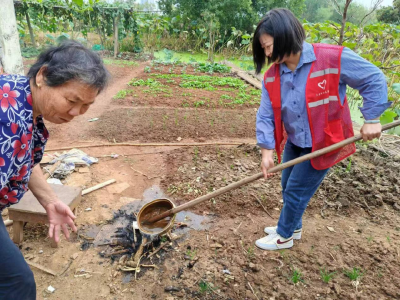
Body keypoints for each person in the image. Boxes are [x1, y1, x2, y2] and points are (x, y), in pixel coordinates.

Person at [252, 9, 391, 251]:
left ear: (286, 35)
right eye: (263, 48)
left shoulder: (330, 58)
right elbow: (265, 115)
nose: (267, 53)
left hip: (324, 141)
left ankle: (284, 236)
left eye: (269, 46)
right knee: (287, 185)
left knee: (296, 190)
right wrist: (266, 152)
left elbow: (373, 78)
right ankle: (293, 227)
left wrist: (372, 118)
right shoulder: (273, 76)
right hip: (296, 141)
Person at [0, 40, 109, 299]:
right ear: (43, 76)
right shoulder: (6, 119)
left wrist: (49, 201)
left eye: (86, 106)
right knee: (17, 283)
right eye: (72, 100)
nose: (76, 112)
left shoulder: (26, 105)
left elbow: (25, 159)